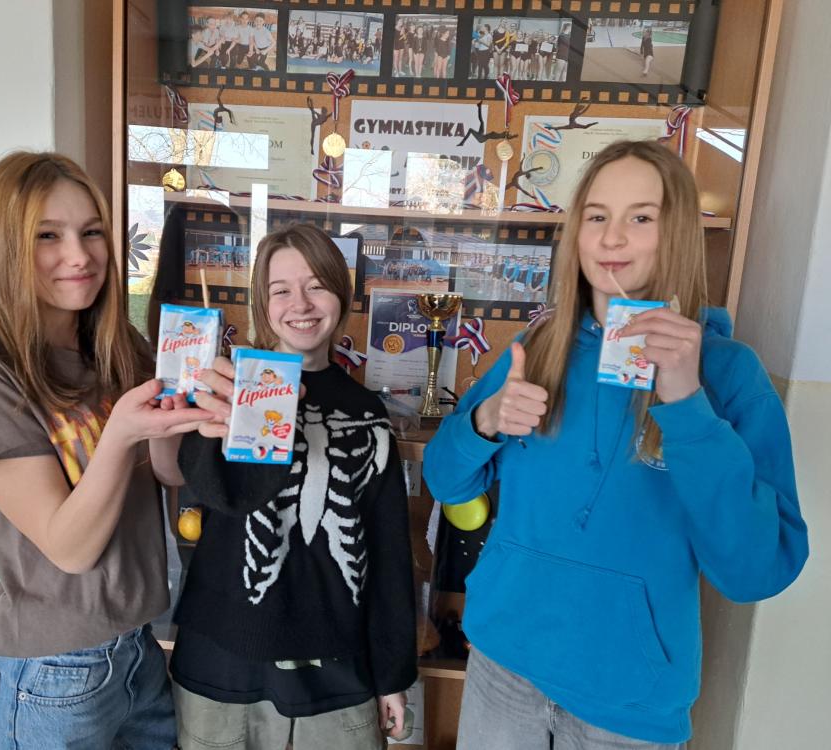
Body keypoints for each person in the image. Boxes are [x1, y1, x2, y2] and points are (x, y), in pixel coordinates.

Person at [423, 140, 808, 749]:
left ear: (675, 233)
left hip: (627, 704)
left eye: (641, 217)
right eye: (597, 215)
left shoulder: (729, 375)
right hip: (504, 667)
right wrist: (486, 419)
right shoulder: (538, 349)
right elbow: (445, 480)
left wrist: (686, 404)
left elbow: (756, 571)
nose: (612, 237)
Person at [0, 151, 211, 749]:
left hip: (137, 651)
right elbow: (70, 547)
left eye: (91, 232)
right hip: (49, 673)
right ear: (4, 249)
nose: (80, 255)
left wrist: (198, 419)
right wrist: (122, 432)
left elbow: (164, 473)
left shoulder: (120, 348)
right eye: (48, 236)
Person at [159, 224, 417, 750]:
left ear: (341, 296)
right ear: (263, 303)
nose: (300, 304)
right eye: (281, 290)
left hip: (336, 669)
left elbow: (389, 551)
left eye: (317, 285)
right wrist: (221, 418)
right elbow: (214, 492)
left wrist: (393, 674)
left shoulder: (366, 412)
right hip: (220, 661)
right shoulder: (227, 392)